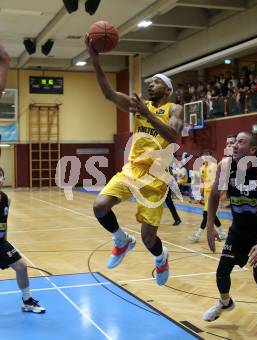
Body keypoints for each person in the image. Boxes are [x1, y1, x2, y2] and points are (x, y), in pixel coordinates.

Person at [85, 35, 183, 286]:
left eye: (157, 82)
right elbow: (108, 93)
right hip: (134, 169)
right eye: (150, 82)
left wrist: (148, 114)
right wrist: (95, 59)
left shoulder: (174, 108)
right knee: (99, 206)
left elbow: (173, 136)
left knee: (149, 238)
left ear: (168, 90)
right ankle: (121, 240)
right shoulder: (139, 105)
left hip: (157, 176)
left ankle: (161, 258)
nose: (151, 85)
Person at [203, 132, 257, 340]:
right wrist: (210, 225)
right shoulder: (225, 166)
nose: (234, 145)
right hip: (239, 228)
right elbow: (213, 194)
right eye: (234, 142)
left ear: (253, 150)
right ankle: (225, 302)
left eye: (240, 142)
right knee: (221, 272)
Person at [0, 168, 45, 313]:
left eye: (0, 176)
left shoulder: (7, 199)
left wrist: (5, 242)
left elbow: (4, 223)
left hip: (1, 243)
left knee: (21, 266)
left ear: (3, 179)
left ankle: (27, 302)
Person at [190, 150, 227, 242]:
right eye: (203, 156)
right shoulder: (201, 168)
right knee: (211, 215)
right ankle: (222, 233)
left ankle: (197, 235)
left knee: (206, 215)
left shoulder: (215, 166)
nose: (205, 157)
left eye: (207, 155)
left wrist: (223, 192)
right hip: (206, 195)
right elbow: (202, 182)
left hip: (213, 194)